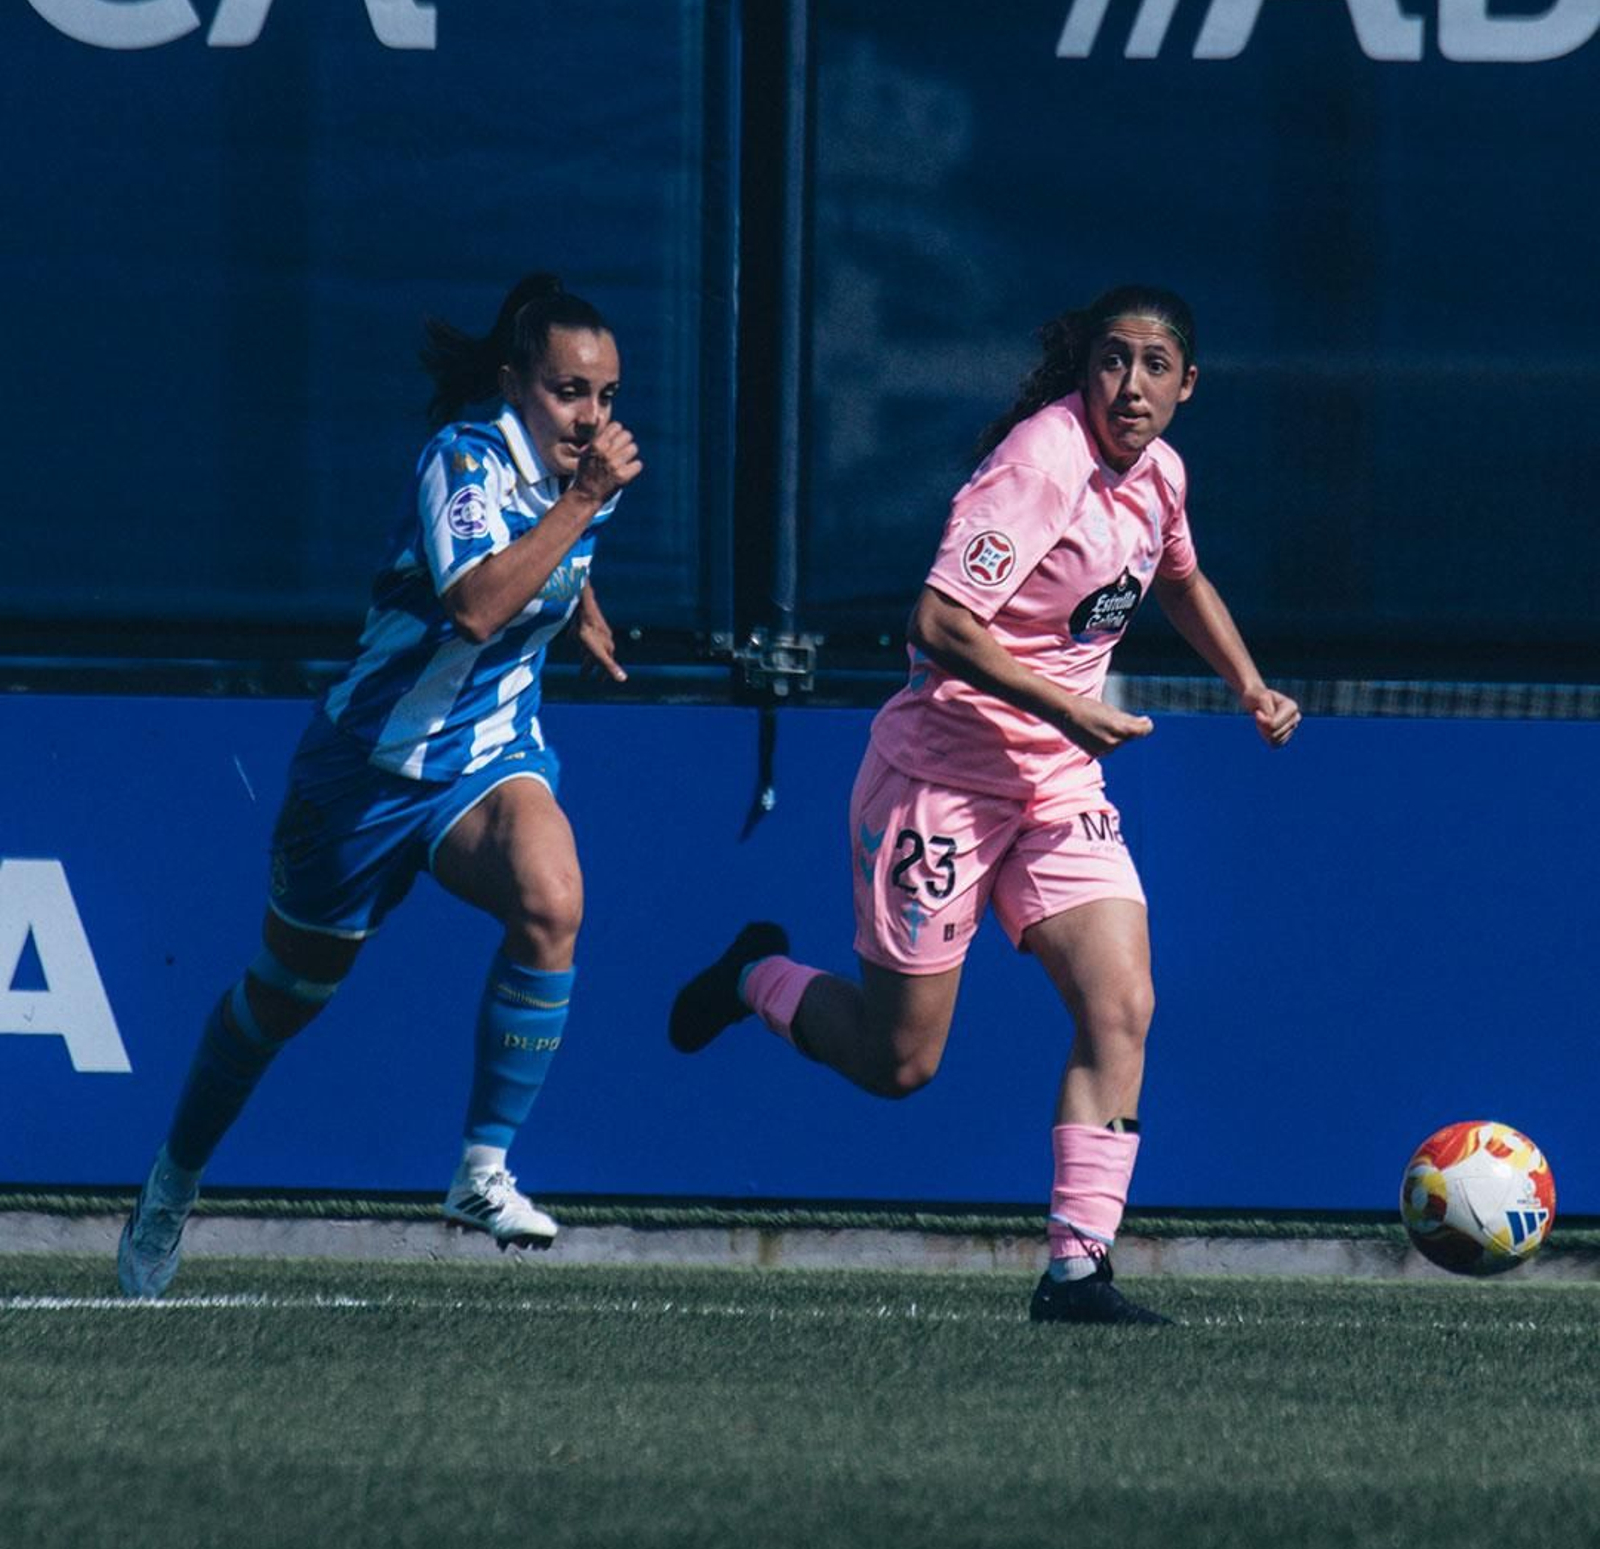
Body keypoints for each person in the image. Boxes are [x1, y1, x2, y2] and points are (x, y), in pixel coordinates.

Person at [670, 285, 1298, 1325]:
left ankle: (1076, 1271)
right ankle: (757, 975)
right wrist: (1068, 705)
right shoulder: (1040, 462)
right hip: (941, 780)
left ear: (1187, 384)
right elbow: (938, 623)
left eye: (1154, 365)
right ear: (1084, 368)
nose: (1129, 385)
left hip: (1056, 784)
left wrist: (1248, 683)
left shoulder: (1161, 475)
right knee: (900, 1060)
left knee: (1122, 1002)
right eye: (1111, 359)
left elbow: (1181, 578)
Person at [118, 272, 642, 1297]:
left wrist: (584, 608)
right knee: (281, 999)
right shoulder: (463, 460)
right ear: (513, 385)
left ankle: (481, 1171)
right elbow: (477, 604)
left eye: (607, 395)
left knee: (553, 897)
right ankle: (171, 1184)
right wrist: (584, 505)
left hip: (487, 758)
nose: (592, 416)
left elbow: (558, 552)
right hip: (366, 771)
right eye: (569, 391)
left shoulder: (584, 475)